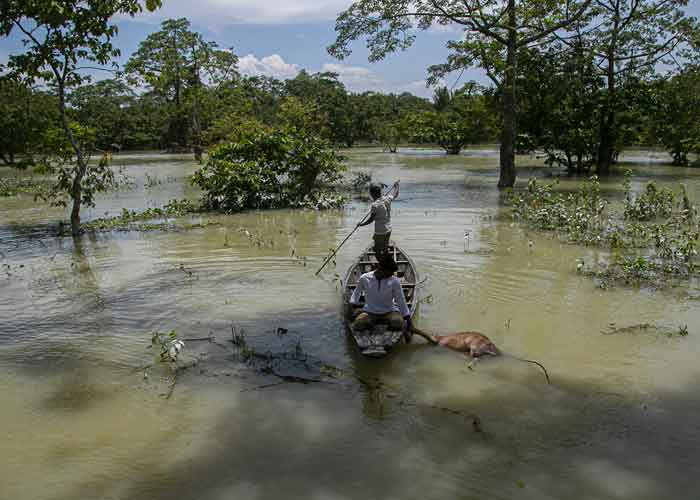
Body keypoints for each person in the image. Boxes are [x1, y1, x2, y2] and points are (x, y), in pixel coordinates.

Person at [350, 254, 411, 339]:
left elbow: (401, 300)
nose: (391, 274)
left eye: (392, 273)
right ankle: (371, 325)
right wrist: (352, 306)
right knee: (358, 325)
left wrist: (407, 317)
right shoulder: (364, 278)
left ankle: (380, 329)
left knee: (398, 322)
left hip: (389, 311)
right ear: (380, 268)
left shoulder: (394, 281)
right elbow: (355, 294)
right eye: (389, 272)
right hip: (370, 311)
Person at [357, 180, 400, 257]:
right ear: (380, 192)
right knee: (385, 248)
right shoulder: (387, 199)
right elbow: (395, 194)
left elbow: (371, 219)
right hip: (388, 229)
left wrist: (361, 224)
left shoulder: (375, 205)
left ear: (372, 194)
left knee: (377, 250)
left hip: (380, 231)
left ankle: (381, 266)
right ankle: (386, 262)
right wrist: (397, 187)